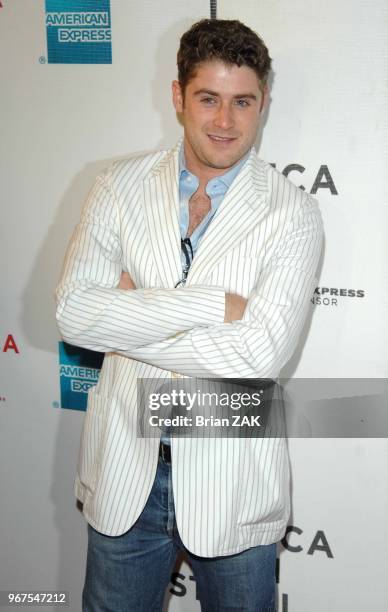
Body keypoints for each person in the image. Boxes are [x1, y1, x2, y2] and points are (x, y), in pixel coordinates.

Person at [56, 18, 323, 612]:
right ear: (178, 97)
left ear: (263, 105)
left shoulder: (294, 213)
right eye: (208, 99)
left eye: (242, 102)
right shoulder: (116, 187)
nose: (224, 122)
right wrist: (213, 305)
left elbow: (259, 354)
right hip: (127, 471)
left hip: (235, 481)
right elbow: (75, 317)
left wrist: (124, 314)